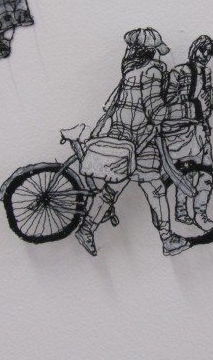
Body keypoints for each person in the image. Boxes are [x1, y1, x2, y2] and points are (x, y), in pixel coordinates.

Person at [74, 28, 191, 257]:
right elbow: (156, 111)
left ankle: (86, 229)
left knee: (111, 189)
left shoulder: (130, 70)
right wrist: (184, 109)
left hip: (120, 138)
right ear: (150, 51)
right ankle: (168, 239)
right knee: (156, 189)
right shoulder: (153, 71)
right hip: (141, 142)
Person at [162, 35, 213, 231]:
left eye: (209, 52)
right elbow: (168, 102)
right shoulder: (178, 72)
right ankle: (181, 211)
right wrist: (194, 106)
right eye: (202, 50)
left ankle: (200, 213)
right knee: (186, 173)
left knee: (207, 173)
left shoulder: (206, 73)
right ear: (194, 49)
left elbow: (209, 95)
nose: (205, 55)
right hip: (183, 132)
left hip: (202, 131)